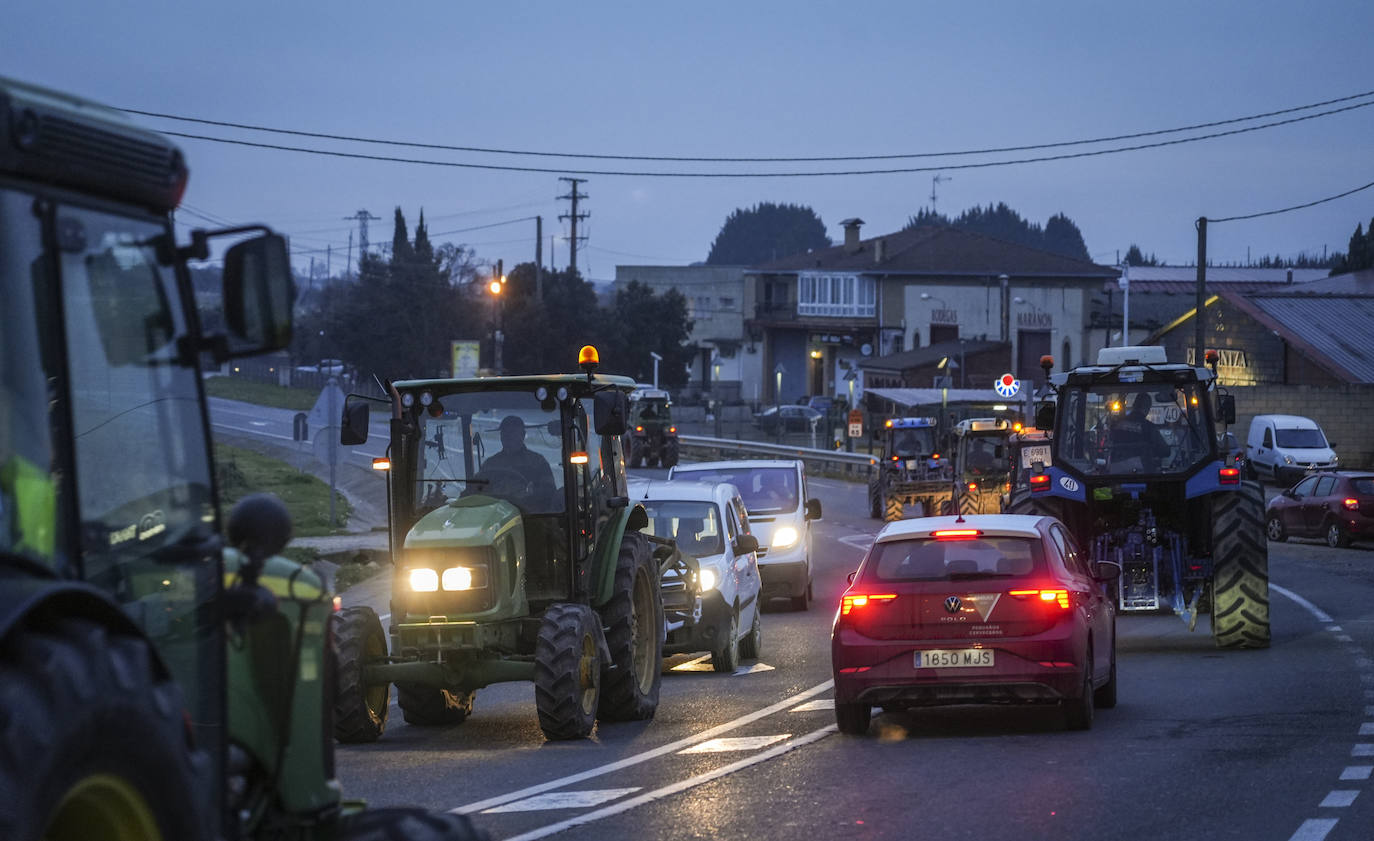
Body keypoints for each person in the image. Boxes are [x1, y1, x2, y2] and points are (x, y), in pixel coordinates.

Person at [478, 415, 557, 507]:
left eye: (513, 433)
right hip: (497, 514)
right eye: (505, 433)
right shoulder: (491, 464)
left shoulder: (537, 462)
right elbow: (477, 491)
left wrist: (532, 491)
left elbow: (550, 491)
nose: (508, 437)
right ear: (501, 436)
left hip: (531, 515)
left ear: (522, 435)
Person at [1108, 392, 1171, 471]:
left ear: (1133, 405)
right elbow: (1164, 451)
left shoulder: (1116, 425)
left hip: (1116, 471)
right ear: (1147, 408)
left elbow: (1108, 445)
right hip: (1142, 472)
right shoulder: (1149, 427)